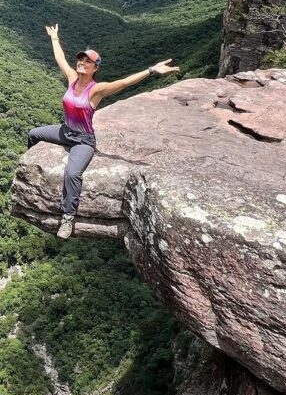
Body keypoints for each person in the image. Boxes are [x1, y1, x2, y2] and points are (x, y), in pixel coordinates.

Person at [28, 24, 180, 239]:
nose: (82, 62)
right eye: (81, 59)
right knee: (33, 133)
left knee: (72, 173)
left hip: (83, 141)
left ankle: (68, 217)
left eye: (88, 61)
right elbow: (60, 59)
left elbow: (124, 83)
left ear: (95, 68)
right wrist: (54, 37)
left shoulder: (96, 90)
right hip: (64, 131)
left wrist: (151, 71)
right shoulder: (72, 79)